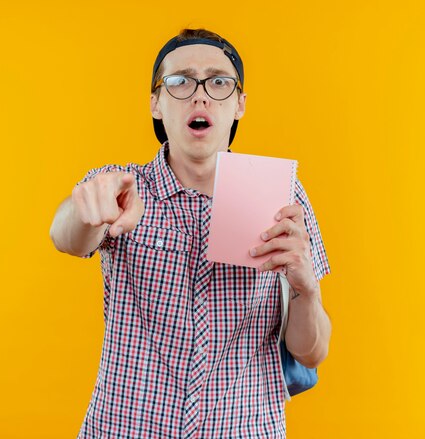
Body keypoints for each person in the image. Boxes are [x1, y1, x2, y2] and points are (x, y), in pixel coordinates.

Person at [49, 28, 331, 438]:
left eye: (219, 82)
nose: (200, 95)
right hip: (126, 427)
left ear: (239, 105)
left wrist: (307, 287)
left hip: (245, 427)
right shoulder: (123, 187)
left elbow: (312, 350)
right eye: (180, 81)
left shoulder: (284, 195)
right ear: (156, 103)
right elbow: (66, 237)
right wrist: (84, 210)